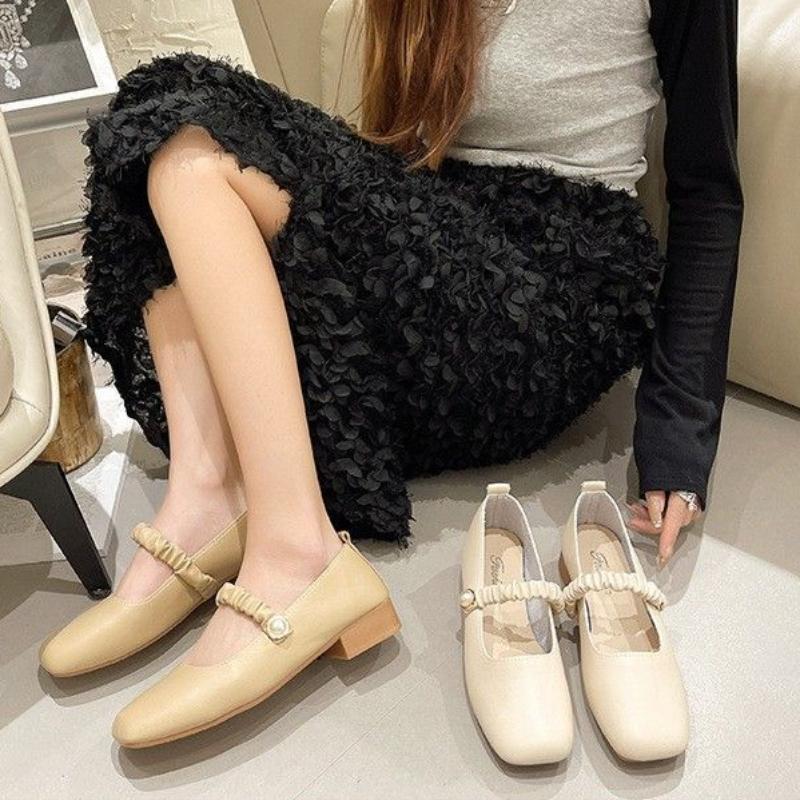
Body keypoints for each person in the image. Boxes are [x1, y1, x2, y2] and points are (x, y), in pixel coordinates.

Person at [39, 0, 742, 746]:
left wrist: (679, 433)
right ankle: (208, 493)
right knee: (157, 117)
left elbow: (708, 192)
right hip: (432, 237)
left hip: (548, 294)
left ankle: (296, 553)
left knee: (190, 139)